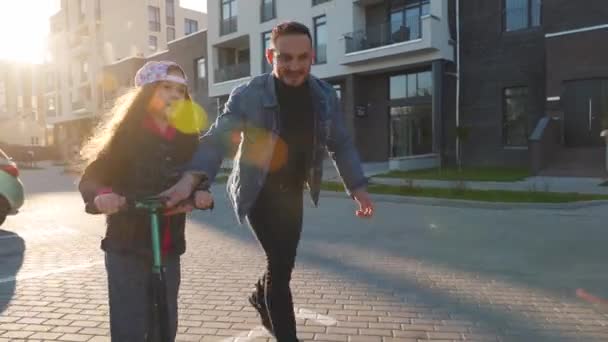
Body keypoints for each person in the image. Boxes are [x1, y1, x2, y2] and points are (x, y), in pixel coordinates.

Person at [162, 21, 374, 342]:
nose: (294, 66)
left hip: (293, 194)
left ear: (311, 56)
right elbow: (217, 138)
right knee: (278, 264)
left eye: (302, 58)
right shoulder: (249, 95)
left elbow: (340, 142)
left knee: (283, 267)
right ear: (269, 55)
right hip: (257, 192)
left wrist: (357, 188)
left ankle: (260, 297)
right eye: (285, 58)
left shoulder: (324, 96)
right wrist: (191, 178)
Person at [78, 61, 213, 342]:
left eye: (181, 90)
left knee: (164, 322)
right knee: (130, 325)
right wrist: (102, 196)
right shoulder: (125, 139)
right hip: (126, 246)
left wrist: (201, 191)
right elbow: (92, 178)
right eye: (166, 88)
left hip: (167, 245)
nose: (175, 95)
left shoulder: (187, 139)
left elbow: (197, 174)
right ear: (145, 94)